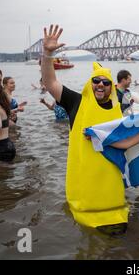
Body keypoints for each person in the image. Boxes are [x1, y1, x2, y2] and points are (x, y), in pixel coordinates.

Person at [40, 24, 128, 235]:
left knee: (119, 238)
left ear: (111, 86)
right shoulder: (76, 102)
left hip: (111, 185)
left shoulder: (119, 108)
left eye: (105, 82)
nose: (100, 85)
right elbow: (50, 82)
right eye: (95, 81)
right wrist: (48, 54)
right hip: (85, 186)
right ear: (90, 83)